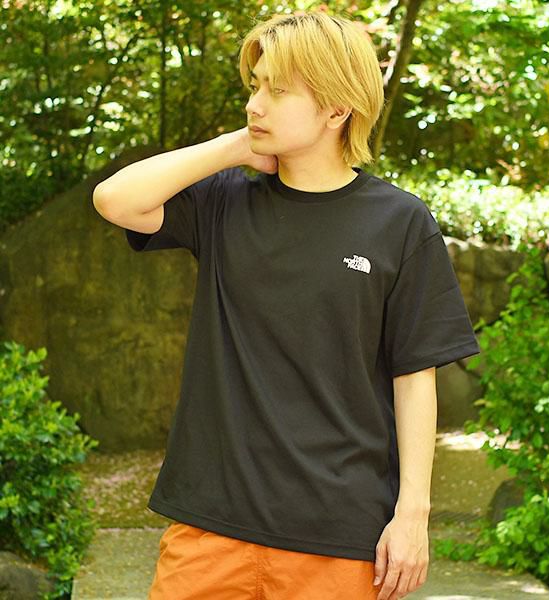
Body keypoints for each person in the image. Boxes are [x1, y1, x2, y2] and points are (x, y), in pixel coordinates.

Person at [93, 10, 480, 600]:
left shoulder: (400, 222)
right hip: (209, 526)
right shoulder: (224, 203)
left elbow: (414, 376)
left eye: (277, 91)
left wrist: (412, 516)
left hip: (338, 534)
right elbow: (115, 200)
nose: (255, 104)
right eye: (255, 86)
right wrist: (236, 147)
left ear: (336, 108)